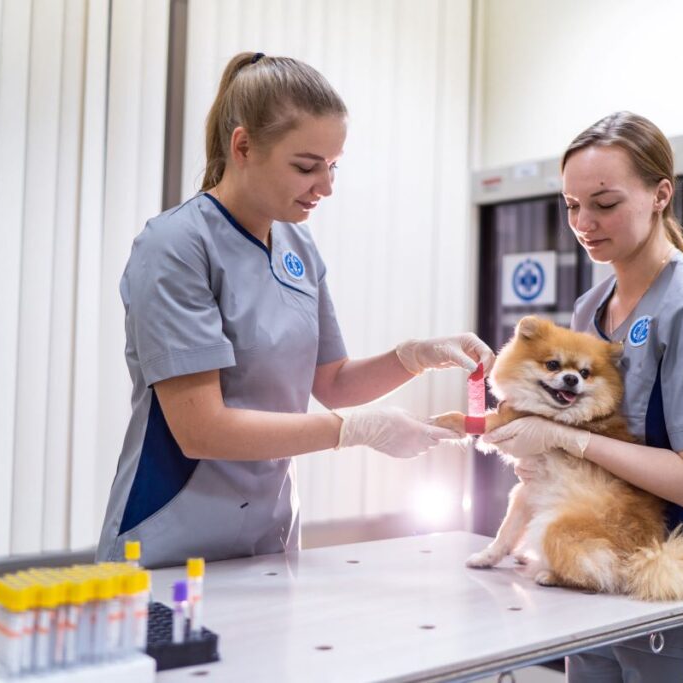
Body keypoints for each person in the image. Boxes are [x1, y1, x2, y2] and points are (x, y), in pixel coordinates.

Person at [96, 52, 493, 569]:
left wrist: (414, 356)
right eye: (306, 167)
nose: (325, 187)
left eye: (332, 167)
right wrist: (354, 432)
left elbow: (332, 383)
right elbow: (201, 430)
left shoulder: (297, 249)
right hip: (173, 536)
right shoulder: (175, 245)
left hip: (269, 531)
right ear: (242, 147)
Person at [481, 112, 683, 681]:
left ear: (661, 194)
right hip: (596, 576)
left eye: (605, 203)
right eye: (571, 205)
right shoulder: (590, 309)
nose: (584, 222)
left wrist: (565, 438)